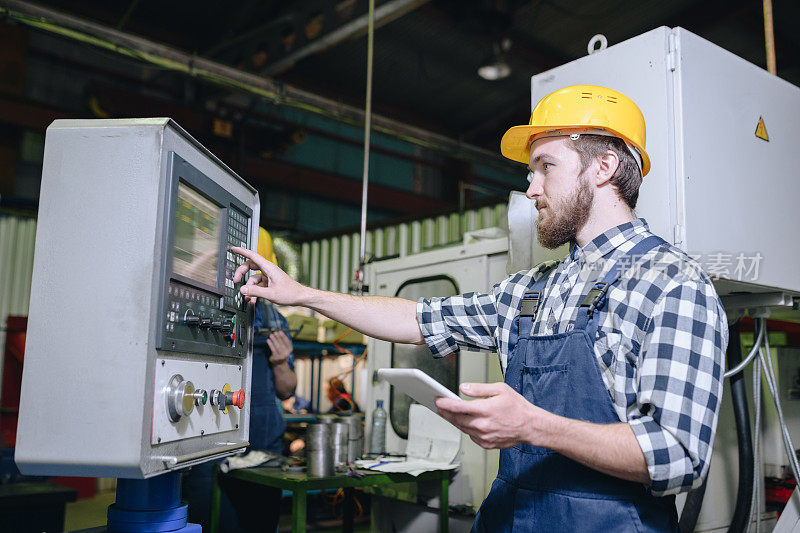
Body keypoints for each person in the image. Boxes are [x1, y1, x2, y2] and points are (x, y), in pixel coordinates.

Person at [230, 85, 728, 532]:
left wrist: (535, 425)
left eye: (545, 167)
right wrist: (304, 294)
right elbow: (415, 319)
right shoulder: (530, 290)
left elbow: (678, 455)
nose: (530, 189)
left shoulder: (672, 283)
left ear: (604, 167)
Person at [184, 228, 297, 533]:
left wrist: (279, 362)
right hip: (214, 437)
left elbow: (287, 390)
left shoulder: (276, 320)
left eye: (260, 275)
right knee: (212, 522)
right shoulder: (207, 308)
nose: (254, 283)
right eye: (248, 274)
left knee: (259, 524)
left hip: (263, 441)